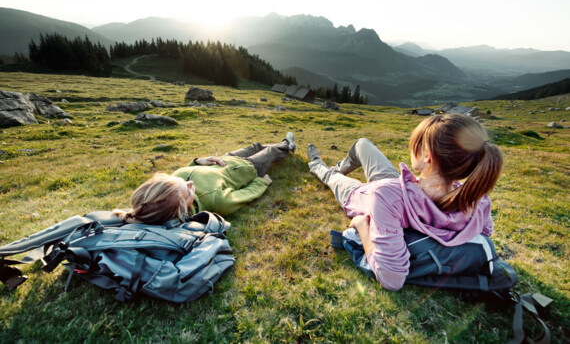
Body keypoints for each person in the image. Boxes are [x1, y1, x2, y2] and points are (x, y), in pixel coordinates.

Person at [307, 114, 503, 291]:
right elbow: (484, 233)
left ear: (427, 155)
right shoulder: (476, 200)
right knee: (362, 144)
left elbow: (391, 279)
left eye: (416, 143)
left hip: (366, 195)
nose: (411, 148)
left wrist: (361, 225)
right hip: (401, 187)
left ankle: (316, 164)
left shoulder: (387, 196)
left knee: (332, 177)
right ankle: (340, 167)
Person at [113, 133, 297, 224]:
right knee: (271, 151)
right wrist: (261, 182)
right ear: (184, 208)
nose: (190, 183)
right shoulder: (216, 201)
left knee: (255, 145)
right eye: (189, 190)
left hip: (225, 159)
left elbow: (187, 171)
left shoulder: (171, 186)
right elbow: (245, 195)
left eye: (182, 181)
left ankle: (276, 146)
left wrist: (197, 161)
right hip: (248, 168)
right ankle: (287, 145)